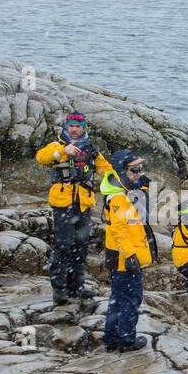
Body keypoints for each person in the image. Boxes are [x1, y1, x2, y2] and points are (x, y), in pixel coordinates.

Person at [35, 111, 113, 305]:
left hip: (83, 203)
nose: (75, 130)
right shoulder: (57, 145)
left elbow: (106, 170)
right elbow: (41, 158)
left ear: (83, 128)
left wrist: (126, 180)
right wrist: (63, 152)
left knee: (81, 246)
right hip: (63, 204)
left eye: (78, 127)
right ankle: (59, 289)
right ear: (67, 127)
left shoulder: (91, 149)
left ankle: (77, 287)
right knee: (63, 246)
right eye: (71, 126)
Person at [101, 149, 156, 351]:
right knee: (130, 299)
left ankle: (112, 336)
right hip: (125, 256)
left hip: (123, 255)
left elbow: (144, 215)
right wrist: (130, 255)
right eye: (134, 170)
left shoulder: (126, 192)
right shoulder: (118, 197)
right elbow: (119, 229)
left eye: (140, 169)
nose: (138, 173)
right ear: (121, 171)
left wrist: (143, 190)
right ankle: (126, 339)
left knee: (118, 297)